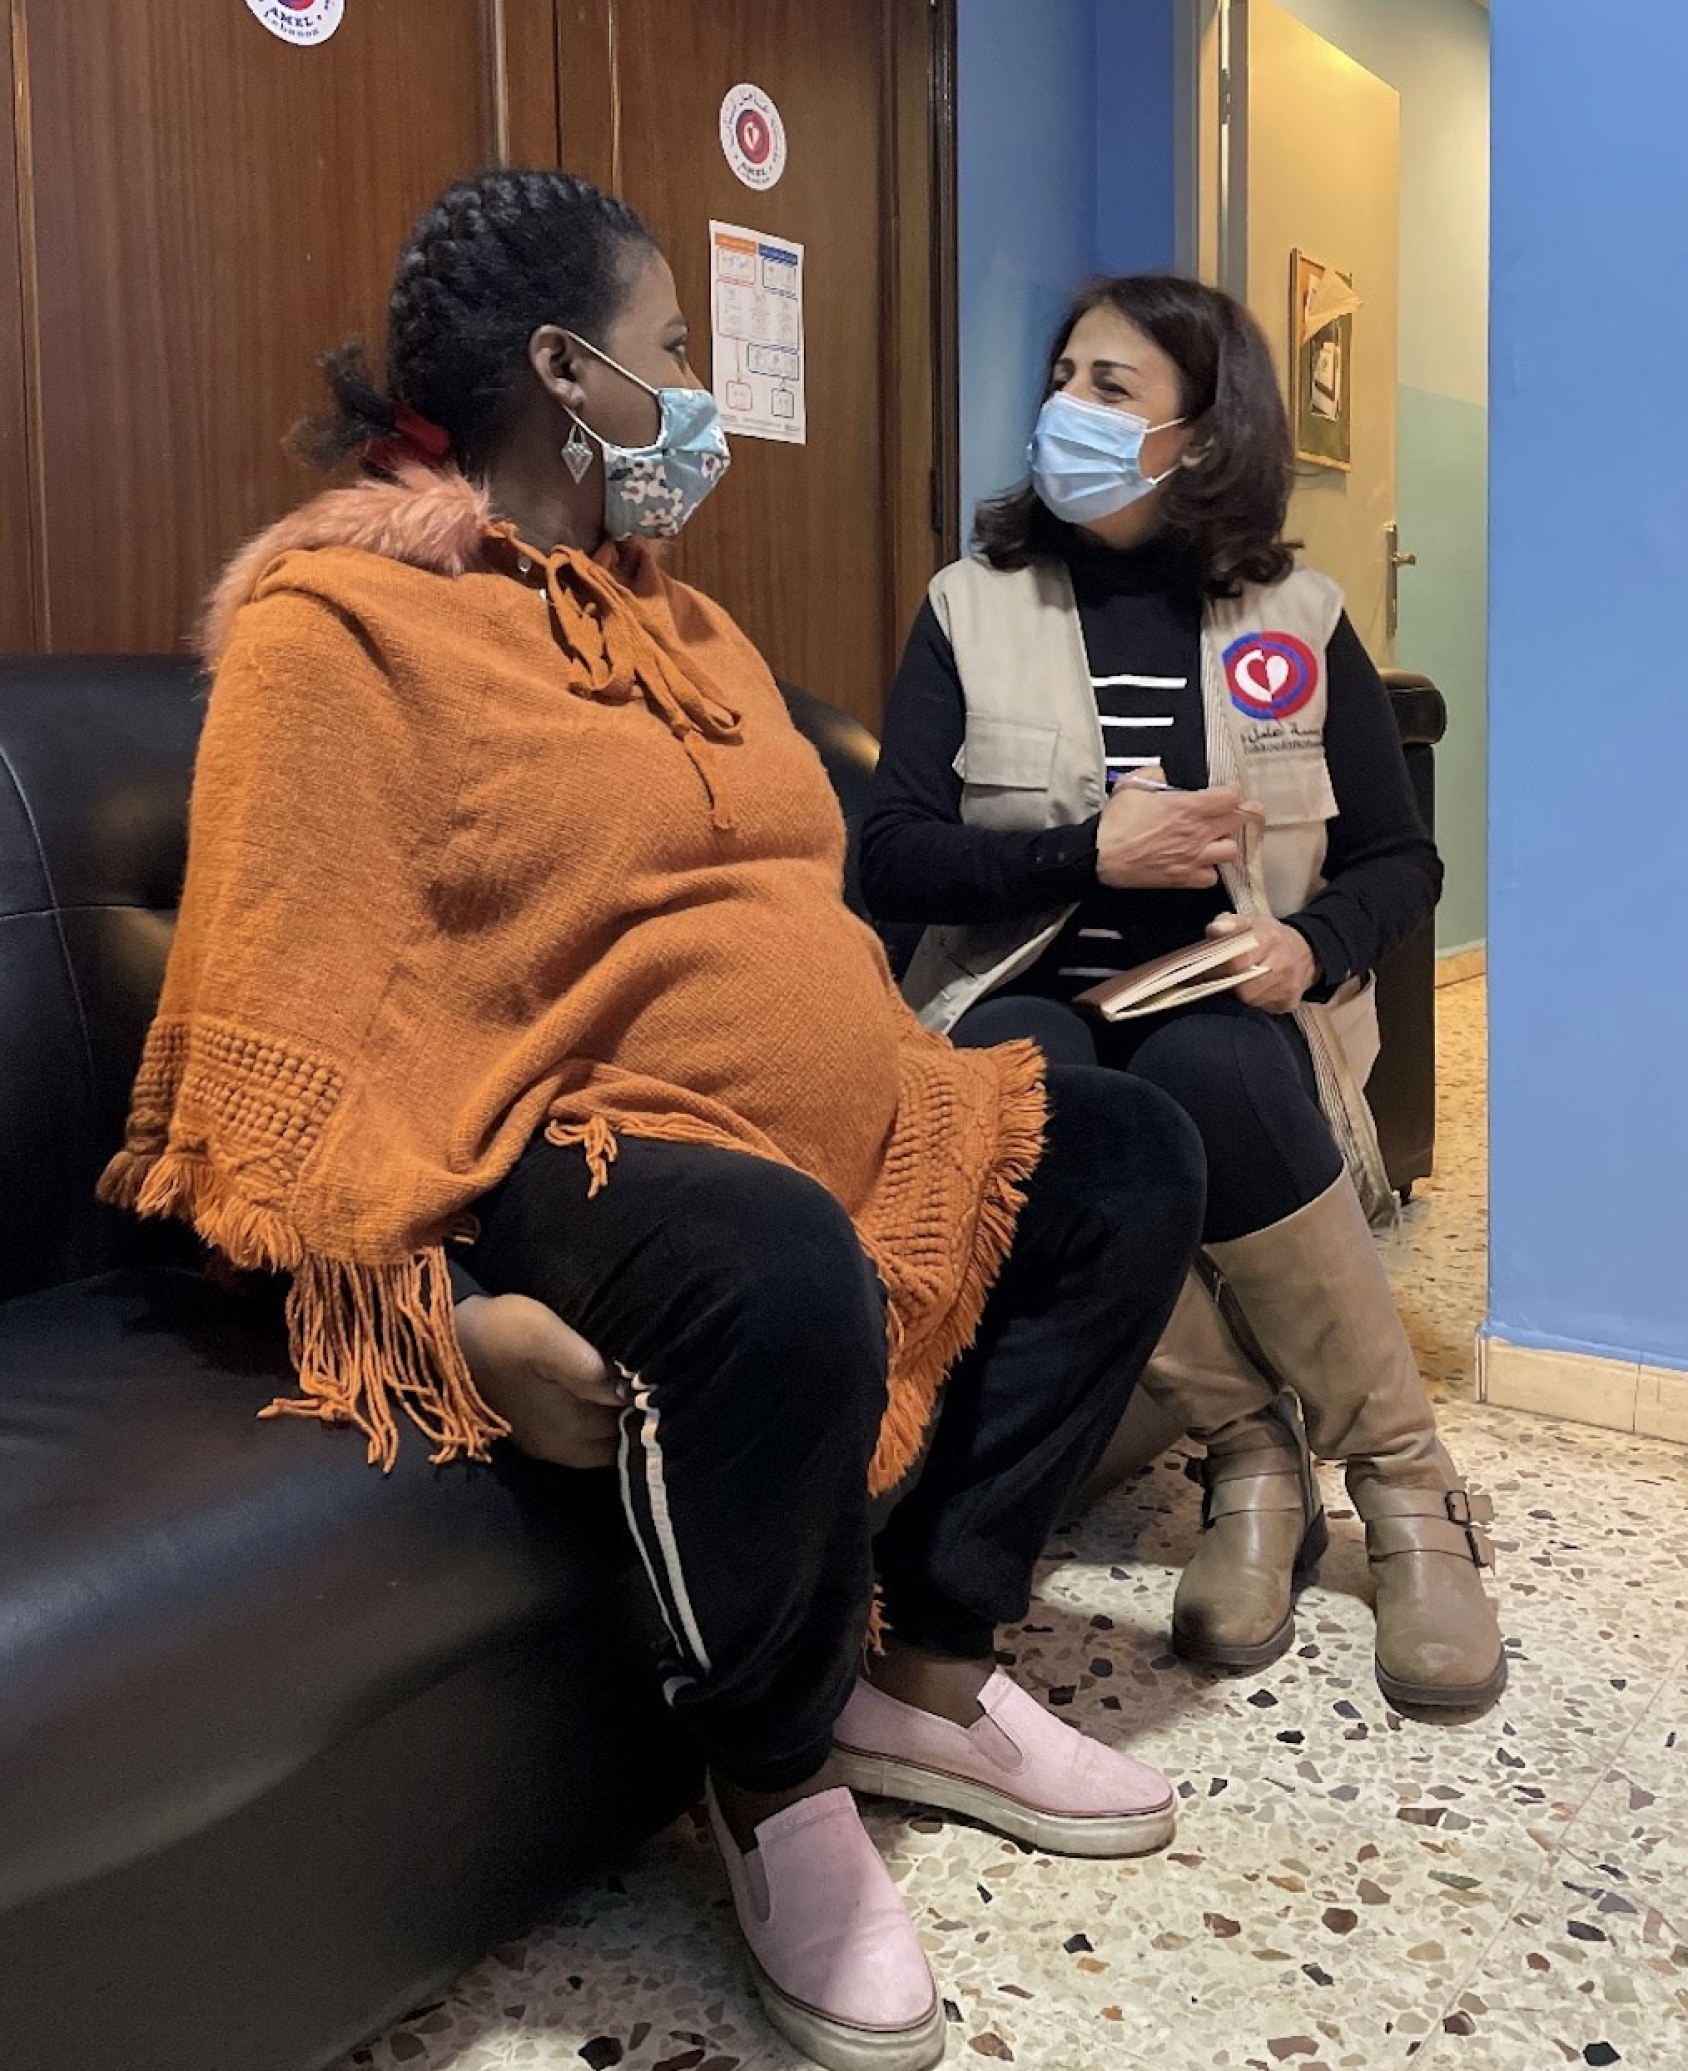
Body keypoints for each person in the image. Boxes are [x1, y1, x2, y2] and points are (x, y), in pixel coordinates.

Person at [99, 175, 1206, 2071]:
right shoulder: (336, 626)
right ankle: (775, 1780)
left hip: (819, 1104)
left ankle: (924, 1670)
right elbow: (279, 1062)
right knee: (781, 1270)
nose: (695, 387)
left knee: (1125, 1152)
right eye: (674, 346)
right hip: (560, 1131)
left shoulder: (670, 618)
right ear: (567, 369)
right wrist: (442, 1316)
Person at [861, 274, 1507, 1720]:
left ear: (1202, 439)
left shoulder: (1296, 611)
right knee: (1033, 1089)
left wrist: (1313, 945)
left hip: (1233, 998)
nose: (1065, 411)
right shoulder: (972, 608)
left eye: (1112, 389)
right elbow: (890, 851)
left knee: (1211, 1067)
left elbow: (1408, 859)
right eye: (1064, 374)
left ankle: (1408, 1484)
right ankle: (1246, 1457)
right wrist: (1086, 847)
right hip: (1032, 990)